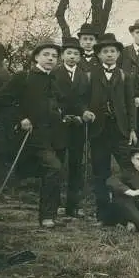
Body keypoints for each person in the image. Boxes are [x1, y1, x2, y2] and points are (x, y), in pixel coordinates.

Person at [0, 39, 67, 228]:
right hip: (33, 136)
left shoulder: (55, 79)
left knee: (54, 172)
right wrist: (20, 118)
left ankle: (49, 214)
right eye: (46, 54)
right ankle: (47, 217)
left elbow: (58, 104)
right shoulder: (23, 77)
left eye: (54, 56)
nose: (51, 58)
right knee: (54, 168)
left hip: (55, 137)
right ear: (36, 57)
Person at [81, 33, 137, 227]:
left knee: (128, 171)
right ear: (98, 54)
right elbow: (82, 100)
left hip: (120, 131)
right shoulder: (89, 76)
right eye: (105, 51)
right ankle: (103, 215)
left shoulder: (125, 76)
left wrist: (132, 129)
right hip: (99, 131)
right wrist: (85, 111)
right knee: (100, 173)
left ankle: (130, 213)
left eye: (113, 51)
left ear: (118, 54)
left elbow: (131, 105)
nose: (109, 54)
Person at [52, 37, 91, 219]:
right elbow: (51, 98)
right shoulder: (54, 73)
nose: (72, 56)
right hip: (58, 125)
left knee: (76, 164)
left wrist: (83, 113)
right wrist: (60, 114)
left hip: (77, 127)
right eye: (69, 53)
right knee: (57, 164)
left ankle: (73, 205)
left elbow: (84, 100)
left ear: (80, 57)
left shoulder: (84, 76)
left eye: (76, 53)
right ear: (62, 55)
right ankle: (54, 204)